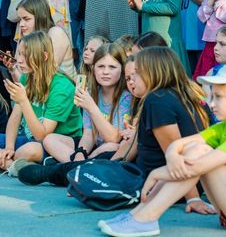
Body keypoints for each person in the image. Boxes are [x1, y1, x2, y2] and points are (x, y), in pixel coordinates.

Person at [18, 47, 215, 215]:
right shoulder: (183, 95)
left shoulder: (158, 100)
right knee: (101, 162)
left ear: (154, 71)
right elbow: (132, 145)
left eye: (136, 75)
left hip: (156, 180)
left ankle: (51, 172)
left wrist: (192, 199)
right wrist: (106, 168)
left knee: (97, 165)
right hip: (171, 176)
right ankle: (56, 171)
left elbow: (176, 153)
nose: (131, 81)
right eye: (128, 77)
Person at [99, 63, 226, 235]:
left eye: (218, 97)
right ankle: (138, 214)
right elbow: (179, 144)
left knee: (200, 153)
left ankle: (147, 217)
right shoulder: (225, 128)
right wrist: (173, 156)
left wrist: (156, 174)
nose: (211, 104)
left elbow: (198, 166)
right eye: (212, 97)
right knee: (195, 148)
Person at [0, 31, 82, 175]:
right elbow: (15, 117)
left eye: (26, 55)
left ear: (44, 57)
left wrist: (23, 100)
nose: (19, 60)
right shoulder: (27, 77)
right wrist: (9, 148)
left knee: (29, 150)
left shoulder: (62, 86)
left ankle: (0, 162)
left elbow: (42, 135)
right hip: (30, 139)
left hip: (56, 144)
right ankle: (13, 166)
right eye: (19, 54)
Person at [43, 43, 132, 163]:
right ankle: (79, 164)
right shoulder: (90, 93)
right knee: (49, 139)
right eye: (101, 66)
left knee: (111, 147)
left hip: (111, 150)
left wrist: (91, 107)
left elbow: (114, 138)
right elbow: (88, 134)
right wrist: (80, 152)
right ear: (93, 68)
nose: (106, 72)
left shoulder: (126, 97)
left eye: (112, 67)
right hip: (93, 146)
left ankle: (75, 164)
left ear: (122, 69)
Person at [12, 0, 76, 79]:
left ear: (40, 17)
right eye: (20, 20)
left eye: (26, 19)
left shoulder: (56, 33)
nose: (21, 24)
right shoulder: (27, 39)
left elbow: (46, 73)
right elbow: (23, 81)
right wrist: (13, 68)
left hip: (62, 86)